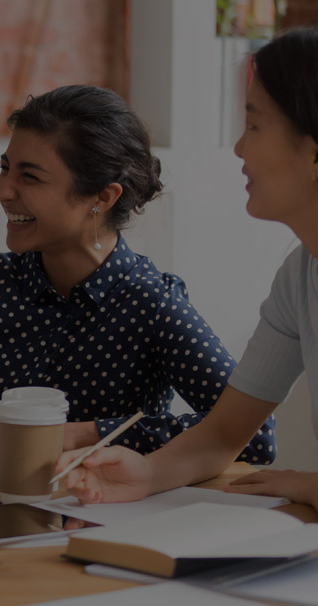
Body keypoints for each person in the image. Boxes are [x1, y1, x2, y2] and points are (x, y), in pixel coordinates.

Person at [0, 85, 275, 465]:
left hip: (101, 523)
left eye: (30, 177)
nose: (2, 191)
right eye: (5, 168)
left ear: (102, 197)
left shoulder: (151, 302)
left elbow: (253, 434)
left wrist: (92, 433)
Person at [58, 28, 318, 508]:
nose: (239, 148)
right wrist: (146, 472)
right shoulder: (300, 275)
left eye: (255, 126)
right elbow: (223, 434)